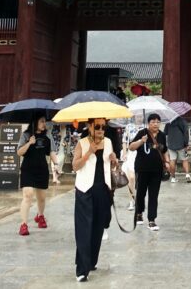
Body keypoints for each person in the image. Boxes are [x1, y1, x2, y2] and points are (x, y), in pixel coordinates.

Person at [72, 118, 118, 282]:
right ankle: (82, 269)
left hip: (102, 190)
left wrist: (114, 161)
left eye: (103, 127)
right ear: (89, 127)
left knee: (98, 227)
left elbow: (110, 167)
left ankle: (91, 261)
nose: (100, 130)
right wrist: (89, 153)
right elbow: (75, 166)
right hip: (85, 190)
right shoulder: (82, 143)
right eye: (97, 126)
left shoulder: (109, 142)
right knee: (84, 229)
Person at [128, 112, 171, 231]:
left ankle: (152, 220)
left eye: (158, 122)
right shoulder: (142, 133)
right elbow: (131, 147)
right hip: (142, 169)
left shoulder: (162, 135)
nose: (156, 124)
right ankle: (139, 213)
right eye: (153, 122)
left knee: (153, 195)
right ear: (148, 123)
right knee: (141, 192)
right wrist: (141, 141)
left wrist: (167, 162)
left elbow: (164, 150)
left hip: (156, 170)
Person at [16, 115, 57, 236]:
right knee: (28, 195)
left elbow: (51, 152)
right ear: (35, 122)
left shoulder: (48, 136)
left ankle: (40, 216)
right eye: (42, 121)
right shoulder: (26, 135)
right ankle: (23, 224)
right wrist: (29, 143)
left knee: (42, 198)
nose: (45, 124)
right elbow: (19, 152)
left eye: (45, 121)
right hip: (28, 169)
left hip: (42, 169)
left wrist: (57, 164)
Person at [165, 115, 191, 183]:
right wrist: (186, 144)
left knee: (172, 160)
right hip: (181, 144)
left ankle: (173, 178)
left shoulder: (169, 121)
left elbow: (165, 132)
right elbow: (186, 133)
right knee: (184, 160)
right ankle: (187, 175)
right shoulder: (183, 121)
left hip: (171, 144)